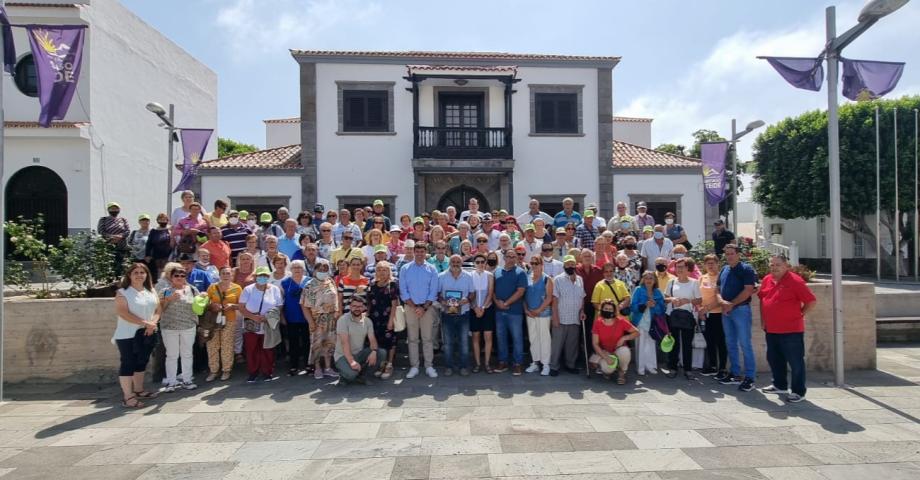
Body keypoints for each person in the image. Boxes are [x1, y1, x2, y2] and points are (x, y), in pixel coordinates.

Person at [758, 254, 816, 403]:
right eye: (772, 265)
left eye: (778, 265)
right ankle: (779, 385)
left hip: (791, 331)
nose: (774, 267)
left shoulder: (795, 281)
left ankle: (798, 391)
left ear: (786, 266)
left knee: (796, 362)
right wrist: (763, 319)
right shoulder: (767, 280)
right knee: (774, 359)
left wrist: (799, 315)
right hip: (771, 329)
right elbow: (762, 300)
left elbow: (811, 302)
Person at [113, 263, 160, 408]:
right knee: (128, 363)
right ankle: (128, 397)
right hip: (127, 334)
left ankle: (139, 390)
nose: (139, 275)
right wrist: (146, 323)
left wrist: (153, 323)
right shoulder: (123, 292)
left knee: (142, 361)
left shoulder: (151, 290)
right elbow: (123, 313)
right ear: (129, 275)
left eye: (142, 272)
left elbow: (158, 308)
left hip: (147, 333)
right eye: (136, 273)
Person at [716, 244, 759, 391]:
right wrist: (722, 302)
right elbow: (717, 289)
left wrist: (731, 304)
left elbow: (748, 290)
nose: (729, 256)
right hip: (726, 311)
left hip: (740, 311)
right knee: (731, 343)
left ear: (738, 254)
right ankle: (735, 374)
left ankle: (750, 377)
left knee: (745, 344)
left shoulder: (746, 269)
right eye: (727, 254)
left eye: (732, 253)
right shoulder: (724, 269)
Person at [156, 262, 200, 392]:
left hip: (188, 326)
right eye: (176, 275)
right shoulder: (165, 291)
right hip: (169, 327)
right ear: (171, 277)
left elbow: (200, 305)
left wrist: (203, 298)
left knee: (187, 354)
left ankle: (187, 379)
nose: (179, 277)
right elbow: (159, 310)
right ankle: (171, 381)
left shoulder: (192, 289)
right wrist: (169, 299)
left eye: (182, 275)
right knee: (171, 355)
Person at [399, 242, 440, 379]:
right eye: (418, 251)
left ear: (426, 253)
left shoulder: (432, 269)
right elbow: (403, 291)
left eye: (423, 251)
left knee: (428, 338)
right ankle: (414, 366)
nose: (420, 254)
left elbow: (433, 291)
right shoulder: (405, 268)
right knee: (412, 339)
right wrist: (415, 307)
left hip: (427, 309)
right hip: (411, 308)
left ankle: (429, 366)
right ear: (414, 252)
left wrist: (424, 307)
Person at [239, 266, 283, 383]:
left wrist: (268, 316)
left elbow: (279, 305)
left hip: (268, 323)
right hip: (251, 323)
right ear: (255, 277)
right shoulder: (248, 289)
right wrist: (253, 317)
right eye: (260, 276)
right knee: (252, 349)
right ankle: (253, 372)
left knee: (268, 348)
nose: (262, 278)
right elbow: (241, 307)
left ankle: (267, 372)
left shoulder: (274, 289)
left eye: (265, 276)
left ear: (268, 277)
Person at [663, 258, 702, 379]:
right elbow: (665, 298)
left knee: (687, 344)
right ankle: (673, 368)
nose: (679, 269)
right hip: (672, 315)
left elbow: (700, 300)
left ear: (688, 269)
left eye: (682, 267)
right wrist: (672, 299)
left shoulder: (694, 282)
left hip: (687, 316)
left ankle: (688, 370)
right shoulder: (671, 282)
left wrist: (688, 301)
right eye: (677, 267)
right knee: (674, 343)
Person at [334, 295, 385, 384]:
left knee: (381, 353)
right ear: (350, 307)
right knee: (351, 374)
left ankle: (364, 376)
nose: (357, 308)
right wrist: (351, 362)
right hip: (343, 356)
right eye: (354, 306)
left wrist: (374, 351)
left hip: (359, 354)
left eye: (360, 306)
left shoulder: (367, 321)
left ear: (363, 307)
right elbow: (344, 342)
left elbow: (372, 339)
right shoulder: (343, 320)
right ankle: (344, 375)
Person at [438, 255, 475, 376]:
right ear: (449, 262)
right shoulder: (441, 276)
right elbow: (438, 293)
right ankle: (448, 367)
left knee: (464, 341)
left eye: (458, 261)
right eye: (453, 261)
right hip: (447, 314)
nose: (455, 263)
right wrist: (442, 301)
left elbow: (472, 293)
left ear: (461, 263)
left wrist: (467, 299)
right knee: (448, 343)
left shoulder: (468, 276)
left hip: (463, 313)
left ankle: (463, 366)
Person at [493, 248, 528, 375]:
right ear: (504, 258)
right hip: (499, 311)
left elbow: (521, 291)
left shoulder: (521, 272)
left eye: (514, 256)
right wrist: (497, 303)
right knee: (501, 338)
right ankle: (503, 362)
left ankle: (518, 363)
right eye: (509, 256)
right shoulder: (497, 272)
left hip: (515, 312)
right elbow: (493, 290)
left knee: (517, 338)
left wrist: (506, 303)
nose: (512, 258)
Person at [303, 259, 339, 380]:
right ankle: (317, 367)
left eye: (325, 269)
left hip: (331, 318)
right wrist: (310, 321)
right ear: (315, 271)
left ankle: (328, 368)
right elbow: (304, 305)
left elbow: (336, 299)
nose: (323, 271)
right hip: (316, 319)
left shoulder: (331, 282)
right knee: (317, 344)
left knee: (329, 344)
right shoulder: (309, 285)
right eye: (320, 269)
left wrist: (337, 312)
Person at [205, 266, 242, 382]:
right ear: (219, 275)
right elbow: (206, 303)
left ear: (232, 275)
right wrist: (212, 306)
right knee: (212, 345)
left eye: (228, 273)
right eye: (223, 273)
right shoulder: (212, 287)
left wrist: (232, 306)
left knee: (227, 345)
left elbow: (241, 305)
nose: (226, 275)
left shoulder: (237, 288)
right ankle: (213, 370)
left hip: (230, 319)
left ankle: (226, 370)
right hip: (214, 320)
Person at [550, 255, 585, 376]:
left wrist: (582, 311)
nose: (570, 266)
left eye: (572, 264)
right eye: (568, 264)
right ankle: (554, 366)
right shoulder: (558, 279)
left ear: (575, 265)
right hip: (561, 317)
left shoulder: (580, 279)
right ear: (564, 265)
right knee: (556, 345)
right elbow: (554, 300)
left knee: (572, 345)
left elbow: (582, 297)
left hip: (575, 318)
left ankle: (570, 365)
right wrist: (555, 317)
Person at [590, 299, 638, 384]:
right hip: (605, 351)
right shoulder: (598, 323)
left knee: (625, 351)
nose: (607, 311)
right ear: (601, 309)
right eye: (605, 309)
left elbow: (636, 332)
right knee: (607, 369)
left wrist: (624, 338)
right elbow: (595, 343)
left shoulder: (621, 321)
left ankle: (621, 373)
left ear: (614, 311)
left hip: (618, 349)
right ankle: (608, 370)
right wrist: (605, 357)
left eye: (610, 309)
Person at [368, 261, 399, 379]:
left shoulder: (392, 284)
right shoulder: (372, 284)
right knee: (378, 341)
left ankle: (389, 364)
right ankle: (382, 363)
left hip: (388, 317)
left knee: (390, 342)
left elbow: (394, 304)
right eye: (379, 269)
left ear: (389, 271)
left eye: (384, 270)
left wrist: (391, 320)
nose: (382, 272)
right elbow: (370, 302)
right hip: (375, 318)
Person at [631, 271, 666, 375]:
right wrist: (645, 304)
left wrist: (655, 305)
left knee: (651, 343)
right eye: (646, 278)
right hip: (640, 320)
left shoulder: (658, 292)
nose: (649, 280)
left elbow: (662, 308)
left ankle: (651, 366)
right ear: (643, 279)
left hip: (653, 321)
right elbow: (633, 306)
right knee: (640, 344)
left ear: (655, 280)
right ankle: (640, 368)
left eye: (651, 278)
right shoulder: (638, 290)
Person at [279, 260, 310, 376]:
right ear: (290, 270)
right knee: (293, 343)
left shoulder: (310, 281)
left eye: (299, 267)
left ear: (303, 269)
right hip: (291, 317)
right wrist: (282, 316)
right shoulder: (285, 282)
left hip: (307, 318)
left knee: (307, 342)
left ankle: (308, 364)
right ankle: (294, 366)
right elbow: (281, 301)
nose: (297, 269)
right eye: (294, 267)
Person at [699, 254, 728, 377]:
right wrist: (701, 310)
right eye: (708, 263)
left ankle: (722, 368)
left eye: (713, 263)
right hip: (704, 315)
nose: (710, 265)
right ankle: (712, 366)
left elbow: (721, 297)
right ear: (704, 265)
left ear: (718, 264)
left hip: (718, 314)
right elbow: (698, 296)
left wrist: (707, 309)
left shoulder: (722, 277)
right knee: (709, 341)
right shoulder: (702, 278)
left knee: (720, 342)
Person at [524, 255, 554, 376]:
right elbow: (524, 296)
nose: (534, 265)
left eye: (537, 263)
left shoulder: (547, 279)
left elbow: (549, 298)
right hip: (530, 314)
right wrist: (526, 309)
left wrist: (539, 310)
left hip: (543, 313)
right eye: (532, 263)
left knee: (544, 339)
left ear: (542, 265)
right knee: (533, 338)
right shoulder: (527, 278)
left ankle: (546, 364)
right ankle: (535, 363)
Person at [98, 202, 131, 275]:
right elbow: (101, 231)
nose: (114, 210)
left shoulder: (123, 220)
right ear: (108, 210)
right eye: (112, 208)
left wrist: (120, 236)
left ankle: (120, 282)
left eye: (116, 208)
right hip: (109, 246)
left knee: (121, 265)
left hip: (122, 246)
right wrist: (111, 237)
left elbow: (127, 231)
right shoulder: (103, 219)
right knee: (109, 265)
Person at [576, 249, 604, 333]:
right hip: (579, 304)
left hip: (594, 304)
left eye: (589, 256)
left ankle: (590, 345)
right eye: (585, 256)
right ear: (581, 257)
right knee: (579, 328)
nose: (587, 258)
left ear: (592, 258)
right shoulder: (575, 270)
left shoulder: (598, 270)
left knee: (592, 328)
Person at [145, 213, 172, 280]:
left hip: (168, 255)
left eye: (164, 219)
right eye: (161, 219)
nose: (163, 221)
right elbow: (149, 243)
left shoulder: (171, 229)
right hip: (156, 256)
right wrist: (147, 255)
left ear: (167, 220)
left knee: (167, 272)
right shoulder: (153, 231)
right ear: (157, 220)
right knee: (157, 274)